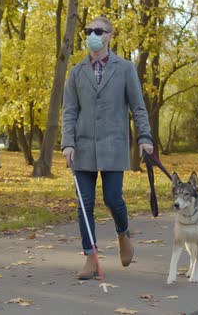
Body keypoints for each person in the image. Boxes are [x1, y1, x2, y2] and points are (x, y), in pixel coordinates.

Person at [61, 16, 154, 280]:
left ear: (110, 35)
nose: (92, 34)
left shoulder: (125, 68)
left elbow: (138, 106)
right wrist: (67, 142)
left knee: (113, 198)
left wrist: (144, 137)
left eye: (98, 31)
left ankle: (123, 233)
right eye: (89, 30)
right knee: (84, 203)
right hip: (83, 147)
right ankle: (90, 257)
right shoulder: (77, 72)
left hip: (114, 146)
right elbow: (69, 110)